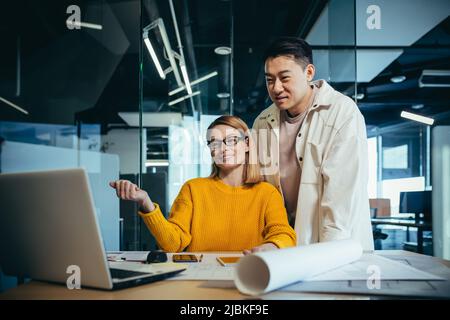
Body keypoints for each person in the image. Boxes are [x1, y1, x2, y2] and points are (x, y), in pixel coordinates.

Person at [252, 37, 374, 250]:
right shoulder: (263, 121)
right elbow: (261, 191)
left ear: (309, 73)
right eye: (270, 80)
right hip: (282, 244)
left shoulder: (342, 112)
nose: (276, 88)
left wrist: (328, 255)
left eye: (284, 78)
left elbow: (341, 196)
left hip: (332, 244)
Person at [110, 115, 296, 253]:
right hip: (198, 278)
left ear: (246, 144)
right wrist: (146, 202)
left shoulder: (266, 193)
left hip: (249, 275)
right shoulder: (193, 189)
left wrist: (271, 247)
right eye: (214, 143)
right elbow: (172, 244)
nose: (223, 149)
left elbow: (284, 234)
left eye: (231, 140)